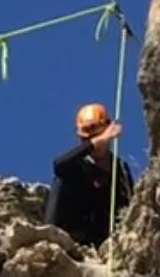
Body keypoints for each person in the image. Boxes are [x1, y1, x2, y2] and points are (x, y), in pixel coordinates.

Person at [44, 103, 133, 250]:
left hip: (99, 236)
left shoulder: (120, 169)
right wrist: (96, 142)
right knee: (61, 178)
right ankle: (51, 236)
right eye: (87, 140)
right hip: (70, 229)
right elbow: (59, 165)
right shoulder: (76, 165)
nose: (94, 143)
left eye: (97, 137)